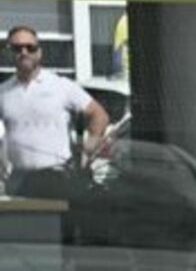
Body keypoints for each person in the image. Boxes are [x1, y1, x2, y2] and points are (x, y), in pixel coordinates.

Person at [1, 27, 113, 198]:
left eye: (30, 47)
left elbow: (98, 115)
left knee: (56, 224)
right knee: (20, 224)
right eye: (17, 48)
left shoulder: (60, 85)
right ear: (9, 52)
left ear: (39, 52)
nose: (24, 52)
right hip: (18, 179)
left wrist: (88, 148)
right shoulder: (3, 91)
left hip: (55, 178)